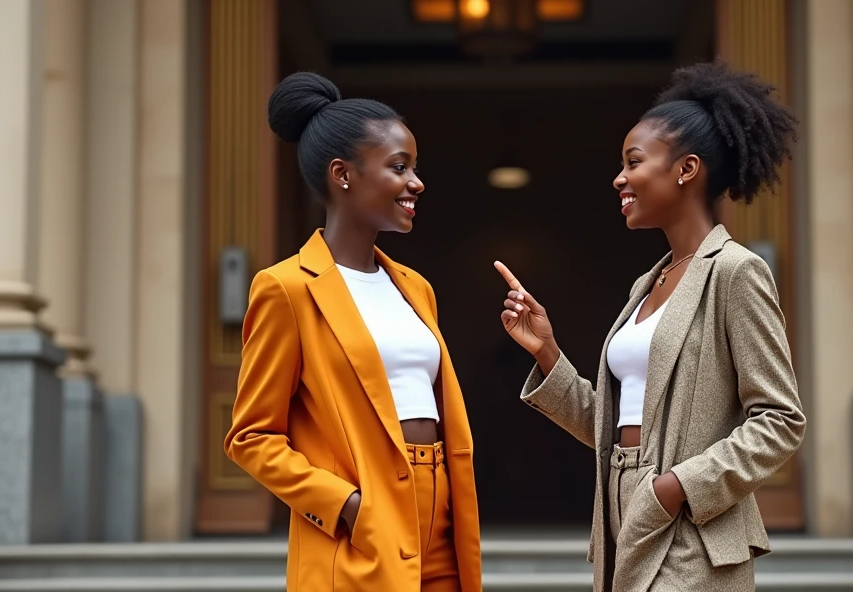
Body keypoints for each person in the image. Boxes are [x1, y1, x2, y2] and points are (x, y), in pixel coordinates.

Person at [493, 60, 806, 592]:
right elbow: (609, 424)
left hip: (691, 525)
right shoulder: (648, 283)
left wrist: (676, 487)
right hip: (618, 507)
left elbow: (780, 420)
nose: (619, 178)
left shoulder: (735, 272)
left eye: (633, 162)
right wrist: (547, 353)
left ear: (686, 169)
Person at [225, 72, 481, 592]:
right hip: (360, 525)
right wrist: (344, 506)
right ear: (343, 175)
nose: (416, 182)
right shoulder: (286, 288)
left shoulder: (416, 288)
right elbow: (251, 437)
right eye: (398, 167)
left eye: (415, 167)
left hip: (441, 518)